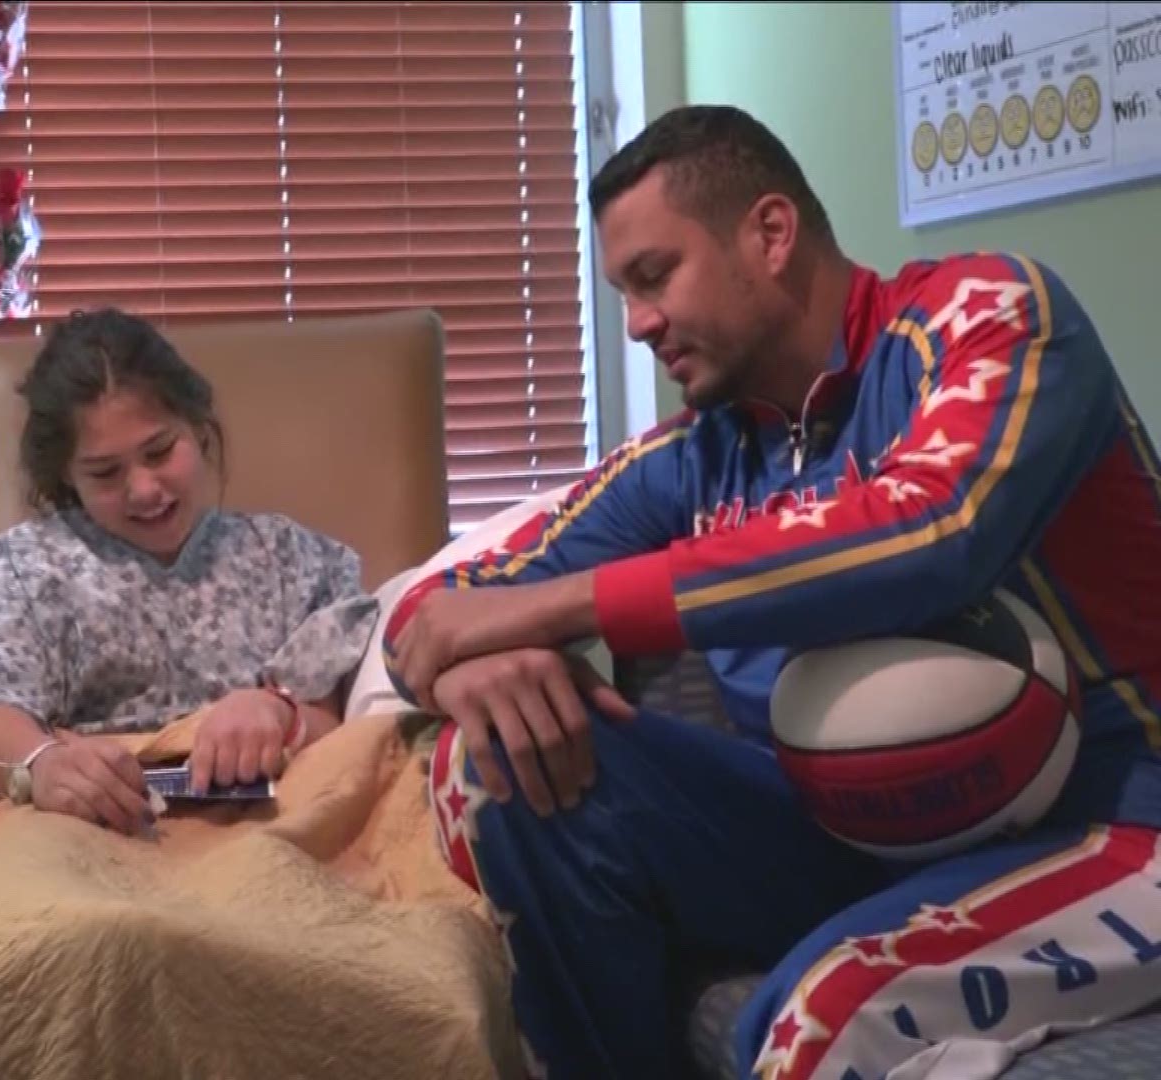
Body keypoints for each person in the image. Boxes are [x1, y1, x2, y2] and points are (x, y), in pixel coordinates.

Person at [383, 104, 1161, 1080]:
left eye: (654, 276)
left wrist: (557, 610)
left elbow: (932, 529)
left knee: (815, 1024)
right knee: (483, 768)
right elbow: (438, 601)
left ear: (772, 233)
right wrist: (465, 667)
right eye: (623, 292)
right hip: (855, 828)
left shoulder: (990, 315)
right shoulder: (691, 460)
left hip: (1117, 817)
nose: (637, 324)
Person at [0, 306, 378, 835]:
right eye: (105, 473)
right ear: (65, 476)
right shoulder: (23, 567)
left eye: (160, 451)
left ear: (198, 430)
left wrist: (276, 711)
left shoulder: (290, 557)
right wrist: (41, 764)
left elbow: (339, 718)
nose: (145, 490)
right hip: (80, 826)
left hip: (261, 823)